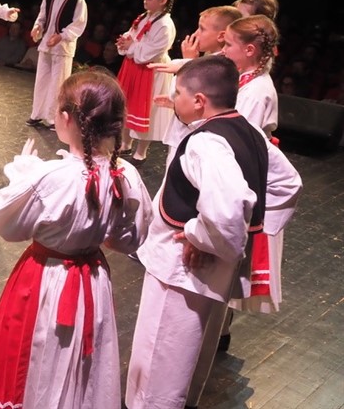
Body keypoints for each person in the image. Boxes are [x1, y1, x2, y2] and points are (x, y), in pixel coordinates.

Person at [125, 56, 301, 409]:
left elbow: (229, 204)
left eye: (178, 93)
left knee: (162, 355)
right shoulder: (249, 131)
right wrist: (246, 232)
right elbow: (287, 183)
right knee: (190, 351)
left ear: (199, 100)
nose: (174, 99)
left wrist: (201, 235)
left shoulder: (207, 142)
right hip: (213, 268)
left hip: (181, 268)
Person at [0, 70, 153, 409]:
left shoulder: (53, 176)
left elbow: (6, 223)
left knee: (42, 351)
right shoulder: (124, 174)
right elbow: (131, 238)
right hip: (92, 279)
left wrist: (21, 175)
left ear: (67, 118)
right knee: (83, 360)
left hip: (45, 278)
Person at [152, 5, 244, 164]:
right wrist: (173, 104)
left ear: (221, 36)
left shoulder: (219, 67)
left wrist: (188, 63)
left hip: (191, 138)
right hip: (184, 133)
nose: (195, 34)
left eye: (202, 29)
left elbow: (181, 93)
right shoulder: (209, 61)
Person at [115, 0, 177, 162]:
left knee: (149, 110)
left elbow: (151, 52)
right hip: (133, 66)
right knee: (127, 105)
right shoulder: (144, 17)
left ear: (163, 0)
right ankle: (126, 143)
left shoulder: (165, 24)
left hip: (151, 70)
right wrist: (125, 41)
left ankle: (141, 151)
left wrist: (132, 46)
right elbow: (132, 35)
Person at [25, 0, 88, 130]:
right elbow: (42, 17)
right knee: (42, 81)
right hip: (47, 44)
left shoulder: (78, 0)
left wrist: (61, 36)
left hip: (62, 48)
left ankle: (54, 118)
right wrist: (37, 27)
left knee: (58, 84)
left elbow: (78, 24)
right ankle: (37, 114)